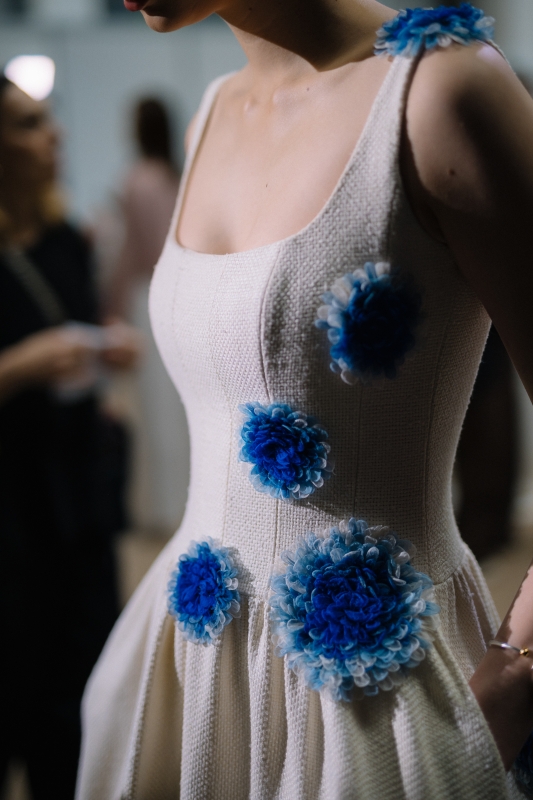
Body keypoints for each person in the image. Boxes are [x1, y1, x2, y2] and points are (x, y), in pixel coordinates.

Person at [76, 2, 533, 798]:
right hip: (189, 663)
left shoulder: (440, 90)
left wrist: (517, 672)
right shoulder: (213, 111)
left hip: (376, 692)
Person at [0, 75, 139, 799]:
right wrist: (21, 366)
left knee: (79, 707)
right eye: (27, 124)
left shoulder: (66, 241)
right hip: (10, 516)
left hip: (77, 503)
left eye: (47, 119)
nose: (52, 135)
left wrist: (102, 352)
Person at [104, 97, 188, 534]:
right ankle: (179, 501)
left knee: (155, 411)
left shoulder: (137, 181)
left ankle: (161, 506)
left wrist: (112, 309)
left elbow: (132, 254)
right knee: (175, 405)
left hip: (145, 297)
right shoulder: (176, 177)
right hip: (176, 293)